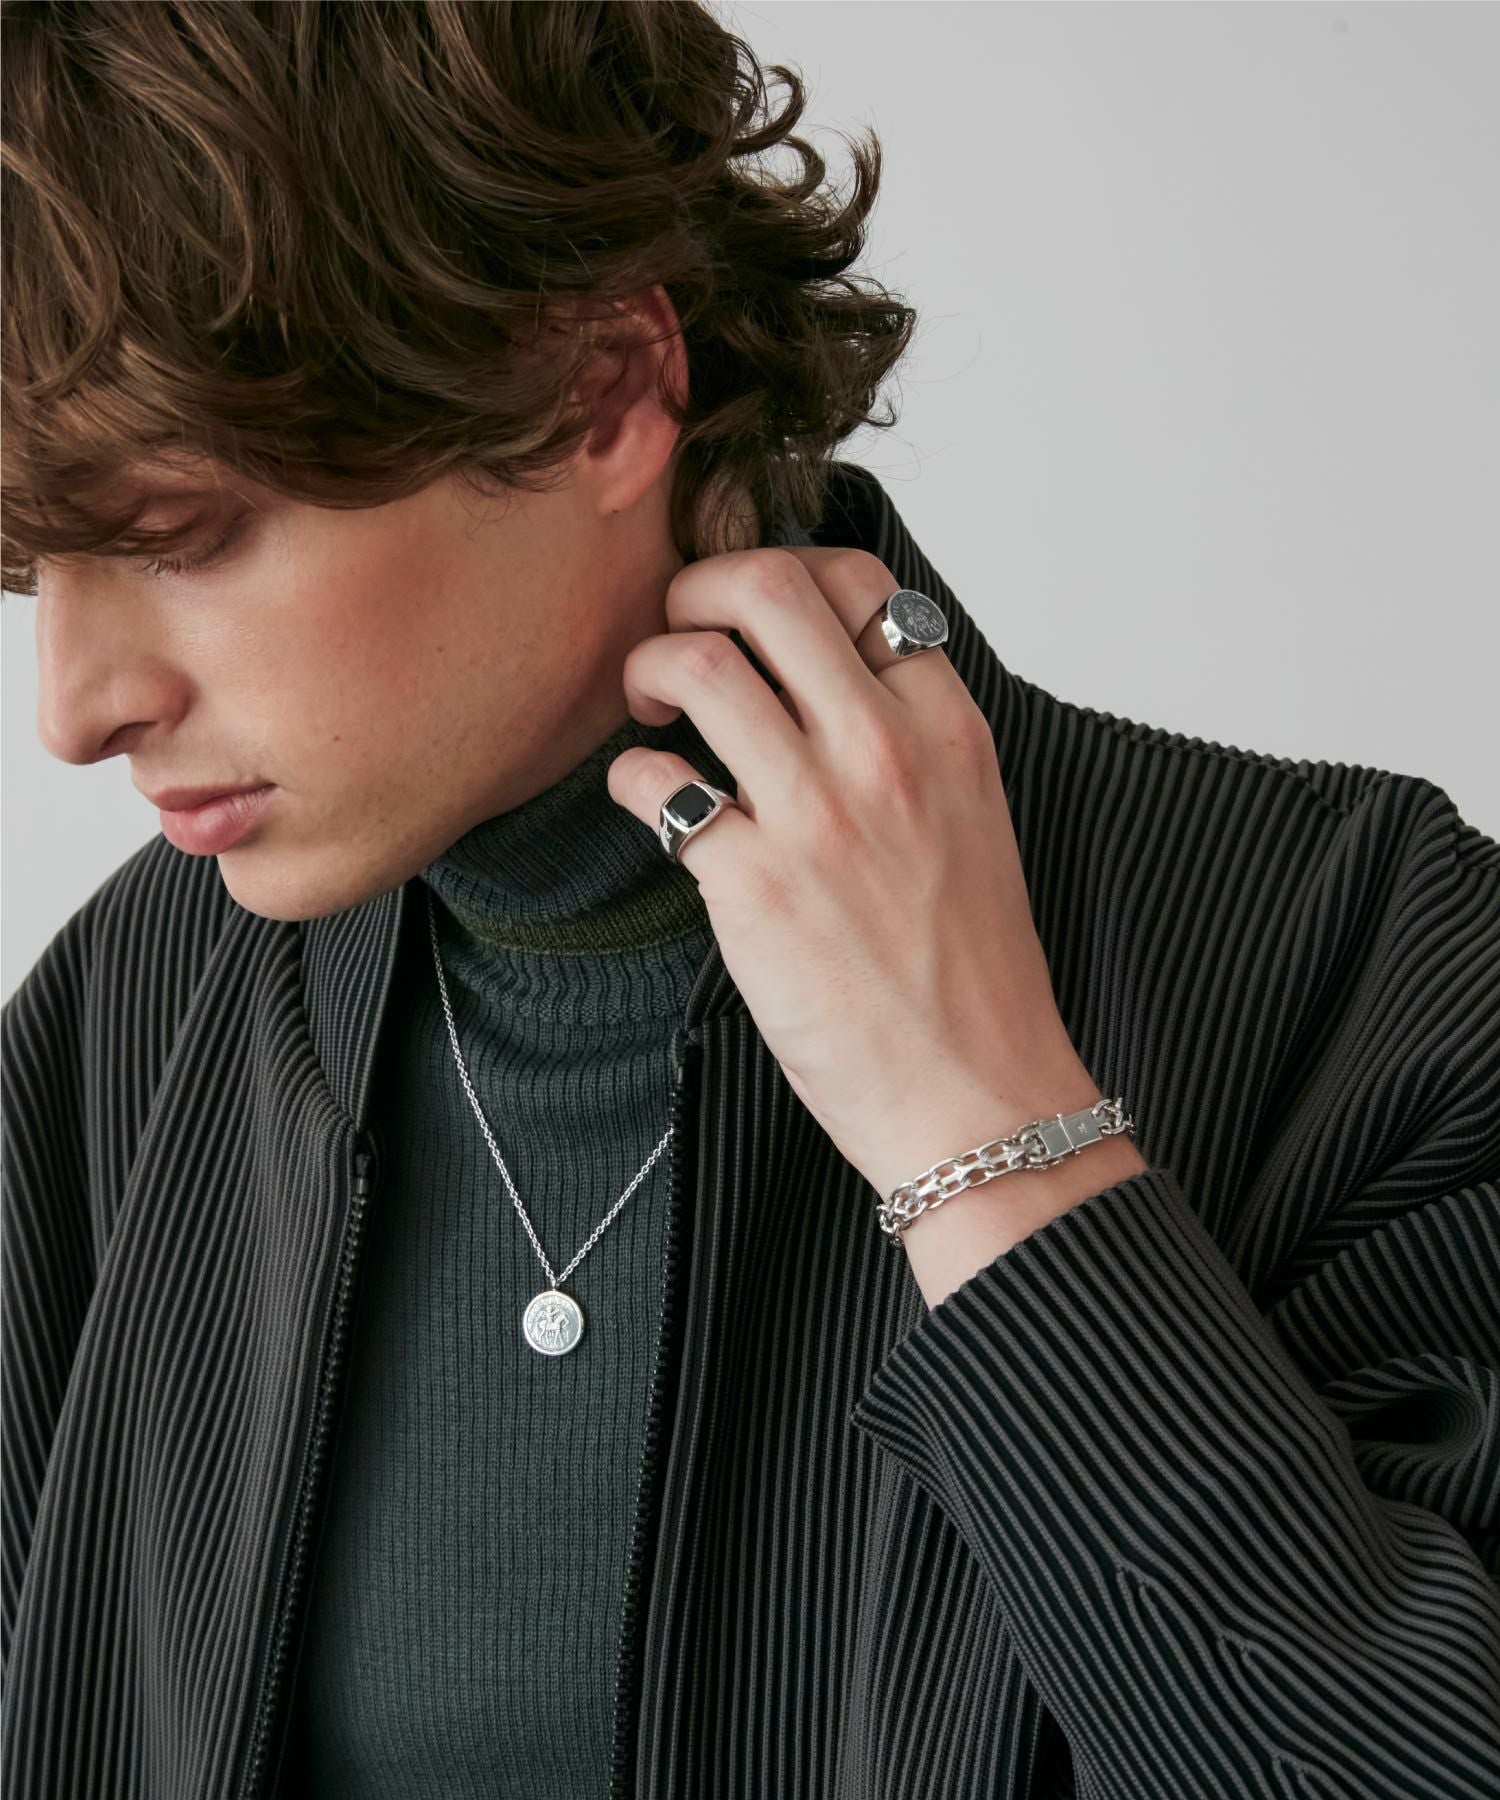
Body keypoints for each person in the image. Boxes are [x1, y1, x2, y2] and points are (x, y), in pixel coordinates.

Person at [3, 5, 1497, 1798]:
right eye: (28, 565)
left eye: (177, 536)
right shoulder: (127, 1027)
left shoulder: (1370, 959)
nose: (74, 707)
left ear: (595, 391)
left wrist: (987, 1135)